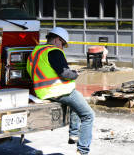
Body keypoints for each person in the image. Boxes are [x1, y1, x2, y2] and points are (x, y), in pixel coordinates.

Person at [26, 27, 94, 155]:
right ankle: (83, 151)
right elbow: (65, 73)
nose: (62, 47)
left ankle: (74, 135)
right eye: (63, 44)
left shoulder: (36, 51)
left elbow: (32, 72)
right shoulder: (54, 51)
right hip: (58, 91)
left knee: (77, 100)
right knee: (88, 115)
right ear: (57, 40)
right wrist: (75, 74)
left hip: (42, 92)